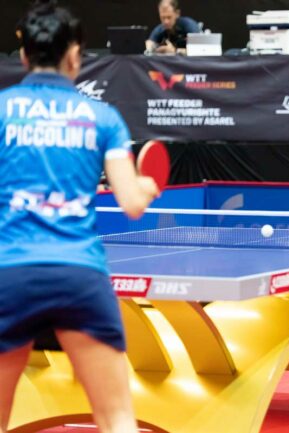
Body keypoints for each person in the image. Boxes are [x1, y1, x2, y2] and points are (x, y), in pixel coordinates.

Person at [0, 1, 160, 432]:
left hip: (9, 275)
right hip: (79, 277)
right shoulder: (102, 118)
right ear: (75, 55)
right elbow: (131, 203)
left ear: (24, 55)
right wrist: (147, 185)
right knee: (117, 418)